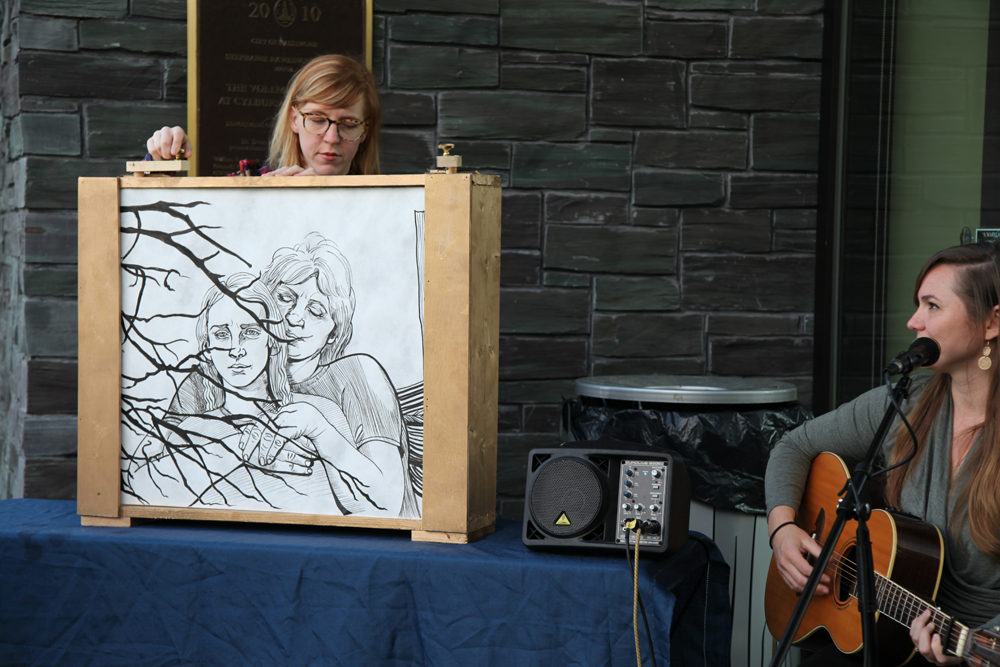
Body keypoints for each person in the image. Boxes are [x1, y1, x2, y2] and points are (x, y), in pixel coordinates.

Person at [766, 242, 1000, 666]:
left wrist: (976, 645)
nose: (914, 322)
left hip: (967, 649)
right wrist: (782, 531)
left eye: (932, 306)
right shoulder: (907, 401)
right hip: (886, 636)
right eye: (917, 305)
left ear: (991, 323)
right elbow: (794, 445)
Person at [144, 54, 381, 176]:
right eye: (317, 119)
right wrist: (161, 164)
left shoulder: (390, 205)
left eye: (349, 124)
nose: (332, 137)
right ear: (294, 119)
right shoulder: (250, 184)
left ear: (365, 131)